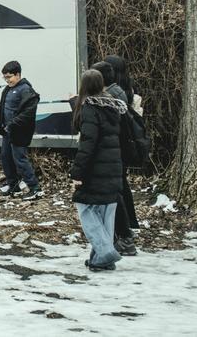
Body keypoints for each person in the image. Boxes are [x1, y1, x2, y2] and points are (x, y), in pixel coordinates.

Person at [70, 69, 126, 272]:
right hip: (113, 168)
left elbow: (88, 144)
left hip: (95, 170)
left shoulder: (89, 109)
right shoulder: (113, 107)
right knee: (106, 214)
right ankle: (101, 259)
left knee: (86, 210)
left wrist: (77, 173)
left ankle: (105, 252)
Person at [0, 60, 43, 199]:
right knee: (6, 157)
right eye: (5, 77)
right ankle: (13, 186)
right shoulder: (8, 89)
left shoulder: (26, 89)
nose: (7, 80)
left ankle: (35, 188)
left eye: (9, 77)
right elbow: (6, 106)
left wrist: (13, 123)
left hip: (19, 132)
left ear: (18, 74)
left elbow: (27, 111)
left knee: (20, 159)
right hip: (7, 131)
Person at [105, 54, 141, 256]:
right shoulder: (127, 89)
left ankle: (124, 230)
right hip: (124, 145)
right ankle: (130, 223)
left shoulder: (115, 94)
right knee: (122, 185)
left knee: (118, 188)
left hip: (116, 146)